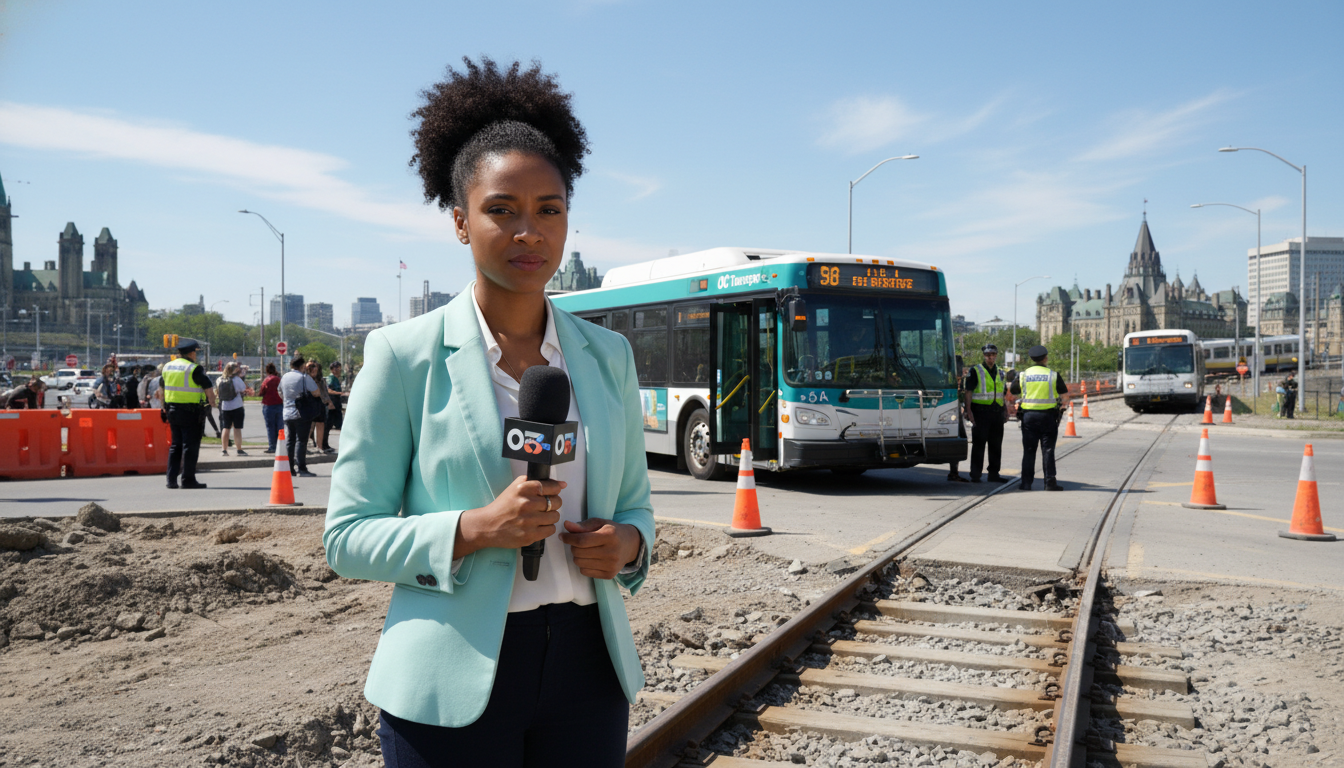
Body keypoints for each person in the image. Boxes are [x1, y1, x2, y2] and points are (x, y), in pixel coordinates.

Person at [323, 57, 653, 768]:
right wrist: (473, 530)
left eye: (549, 210)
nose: (528, 232)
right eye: (502, 209)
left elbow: (636, 505)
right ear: (460, 223)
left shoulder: (607, 356)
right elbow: (346, 537)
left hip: (589, 669)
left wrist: (627, 546)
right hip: (452, 674)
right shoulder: (402, 356)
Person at [1008, 345, 1070, 491]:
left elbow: (1014, 390)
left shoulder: (1023, 375)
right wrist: (1061, 407)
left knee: (1029, 451)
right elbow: (1065, 396)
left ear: (1031, 359)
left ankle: (1026, 483)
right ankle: (1050, 482)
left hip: (1029, 418)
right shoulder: (1053, 375)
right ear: (1045, 358)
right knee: (1048, 449)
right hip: (1048, 417)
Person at [163, 338, 217, 489]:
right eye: (196, 353)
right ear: (192, 353)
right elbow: (208, 387)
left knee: (175, 446)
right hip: (190, 412)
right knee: (190, 446)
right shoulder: (194, 368)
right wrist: (212, 403)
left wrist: (164, 406)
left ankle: (171, 479)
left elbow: (162, 387)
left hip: (172, 410)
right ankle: (188, 479)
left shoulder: (168, 367)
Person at [963, 343, 1009, 483]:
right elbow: (968, 391)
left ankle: (994, 474)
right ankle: (975, 474)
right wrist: (968, 410)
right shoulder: (976, 370)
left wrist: (1005, 410)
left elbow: (1002, 393)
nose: (991, 358)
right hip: (980, 412)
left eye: (993, 355)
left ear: (996, 355)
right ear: (984, 356)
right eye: (988, 355)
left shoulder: (1001, 372)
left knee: (996, 445)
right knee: (979, 444)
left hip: (997, 412)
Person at [281, 355, 319, 478]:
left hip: (287, 412)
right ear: (302, 366)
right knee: (301, 441)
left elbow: (280, 392)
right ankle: (301, 468)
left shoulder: (285, 377)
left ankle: (290, 468)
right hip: (301, 413)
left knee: (290, 441)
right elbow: (316, 392)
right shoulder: (304, 377)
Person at [217, 361, 254, 456]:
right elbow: (243, 389)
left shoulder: (220, 379)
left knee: (226, 428)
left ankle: (224, 450)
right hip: (237, 406)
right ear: (235, 370)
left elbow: (217, 391)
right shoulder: (237, 380)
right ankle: (239, 449)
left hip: (225, 407)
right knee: (237, 429)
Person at [306, 360, 333, 454]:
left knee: (321, 424)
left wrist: (329, 402)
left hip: (320, 403)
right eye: (311, 366)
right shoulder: (306, 378)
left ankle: (320, 446)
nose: (313, 368)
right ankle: (304, 446)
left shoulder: (321, 380)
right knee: (309, 425)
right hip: (309, 403)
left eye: (315, 366)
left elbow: (325, 392)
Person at [259, 362, 283, 454]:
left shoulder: (267, 380)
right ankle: (280, 445)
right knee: (280, 427)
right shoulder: (279, 379)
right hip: (280, 404)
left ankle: (272, 446)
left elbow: (261, 392)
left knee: (270, 427)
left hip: (269, 405)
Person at [323, 361, 344, 452]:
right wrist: (340, 393)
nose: (338, 370)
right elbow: (328, 390)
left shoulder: (336, 379)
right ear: (332, 370)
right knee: (328, 426)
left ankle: (326, 444)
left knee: (337, 426)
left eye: (339, 368)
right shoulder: (331, 378)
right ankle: (324, 444)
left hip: (337, 405)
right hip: (332, 405)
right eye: (336, 369)